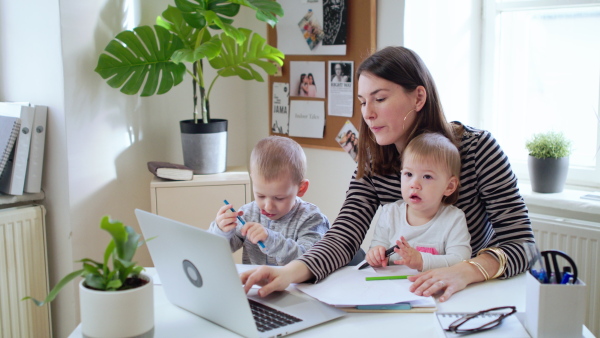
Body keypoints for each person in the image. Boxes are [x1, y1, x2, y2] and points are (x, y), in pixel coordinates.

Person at [241, 46, 533, 302]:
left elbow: (522, 244)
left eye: (379, 99)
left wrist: (462, 272)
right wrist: (289, 272)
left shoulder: (478, 148)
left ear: (418, 98)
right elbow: (343, 236)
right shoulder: (373, 160)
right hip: (404, 295)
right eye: (362, 101)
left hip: (470, 295)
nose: (367, 114)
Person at [208, 136, 330, 266]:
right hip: (255, 285)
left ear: (301, 188)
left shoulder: (311, 219)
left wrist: (271, 240)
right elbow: (215, 251)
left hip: (294, 286)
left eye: (279, 198)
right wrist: (221, 231)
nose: (268, 206)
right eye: (260, 196)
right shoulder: (248, 213)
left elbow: (310, 261)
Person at [366, 132, 471, 271]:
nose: (414, 184)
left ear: (449, 186)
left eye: (427, 176)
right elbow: (377, 248)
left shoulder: (454, 219)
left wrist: (422, 261)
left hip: (434, 289)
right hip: (392, 288)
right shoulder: (390, 213)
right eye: (408, 174)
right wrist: (375, 255)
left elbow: (461, 260)